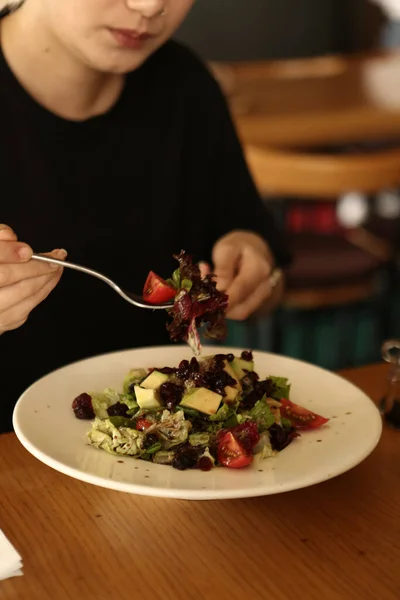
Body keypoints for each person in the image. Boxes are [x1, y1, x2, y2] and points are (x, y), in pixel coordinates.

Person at [0, 0, 290, 433]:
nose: (151, 5)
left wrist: (255, 268)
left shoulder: (184, 85)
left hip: (156, 460)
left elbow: (269, 280)